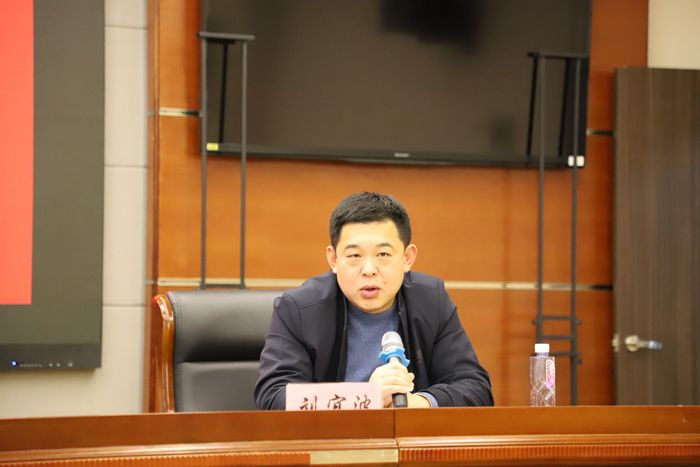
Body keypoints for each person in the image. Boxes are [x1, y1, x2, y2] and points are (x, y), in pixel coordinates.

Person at [254, 192, 493, 409]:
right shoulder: (298, 310)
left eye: (383, 254)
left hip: (407, 439)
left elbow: (475, 388)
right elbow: (273, 396)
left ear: (407, 258)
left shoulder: (431, 301)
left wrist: (421, 402)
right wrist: (365, 397)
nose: (369, 269)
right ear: (333, 259)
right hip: (333, 441)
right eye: (354, 255)